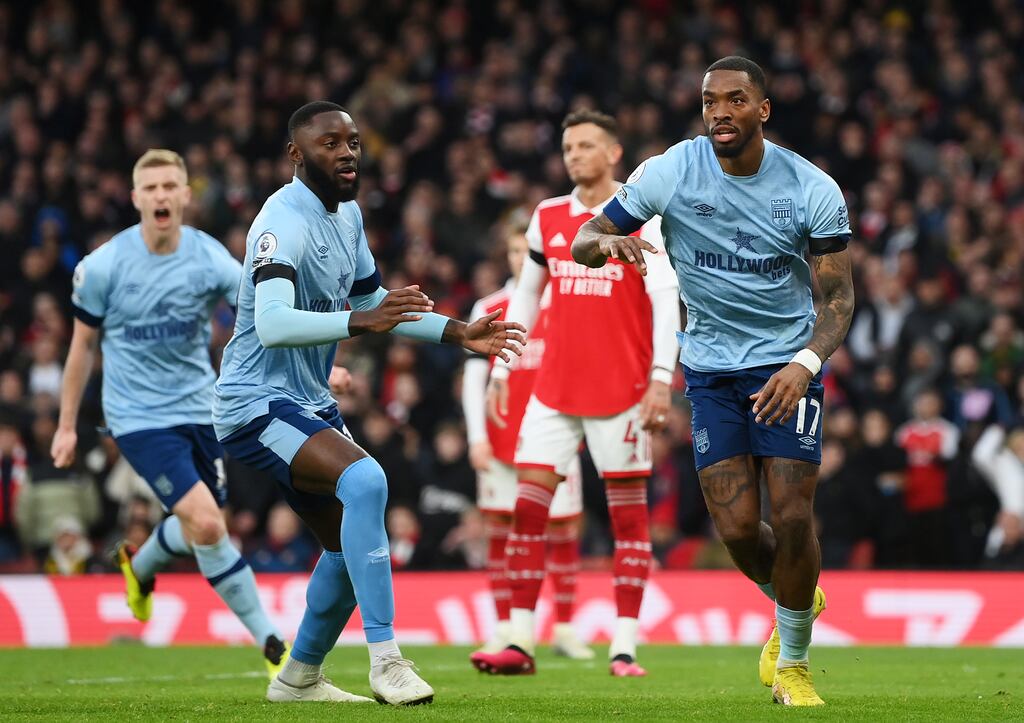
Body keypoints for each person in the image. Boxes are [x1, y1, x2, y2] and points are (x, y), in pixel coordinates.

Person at [212, 101, 525, 705]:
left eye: (352, 141)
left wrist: (459, 332)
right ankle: (386, 660)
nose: (348, 152)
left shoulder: (347, 216)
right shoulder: (282, 221)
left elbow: (375, 299)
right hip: (254, 404)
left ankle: (299, 679)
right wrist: (361, 321)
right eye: (330, 144)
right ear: (297, 155)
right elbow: (273, 324)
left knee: (347, 548)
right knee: (366, 481)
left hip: (306, 401)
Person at [572, 57, 855, 706]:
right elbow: (589, 233)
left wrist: (804, 365)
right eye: (709, 101)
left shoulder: (812, 188)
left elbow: (838, 300)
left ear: (763, 110)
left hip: (787, 368)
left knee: (790, 515)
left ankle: (795, 663)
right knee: (734, 530)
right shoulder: (670, 170)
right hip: (710, 371)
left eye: (735, 100)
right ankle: (798, 596)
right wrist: (604, 245)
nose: (720, 112)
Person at [51, 149, 287, 677]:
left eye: (170, 186)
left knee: (203, 525)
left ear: (185, 195)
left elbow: (262, 314)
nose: (161, 195)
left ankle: (141, 564)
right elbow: (82, 348)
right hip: (137, 417)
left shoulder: (209, 260)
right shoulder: (103, 268)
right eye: (150, 187)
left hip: (200, 408)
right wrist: (67, 425)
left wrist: (313, 368)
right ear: (136, 198)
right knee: (207, 522)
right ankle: (274, 645)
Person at [471, 110, 681, 678]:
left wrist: (662, 377)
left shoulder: (645, 221)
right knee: (528, 512)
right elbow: (525, 297)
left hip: (622, 392)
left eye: (587, 145)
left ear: (614, 153)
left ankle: (624, 647)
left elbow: (666, 301)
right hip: (553, 389)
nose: (574, 155)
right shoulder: (548, 218)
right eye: (568, 146)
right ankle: (517, 640)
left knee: (627, 522)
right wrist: (499, 370)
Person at [461, 216, 593, 660]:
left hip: (556, 435)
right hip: (500, 439)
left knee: (562, 533)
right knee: (500, 531)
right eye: (515, 251)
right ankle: (505, 627)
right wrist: (477, 436)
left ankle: (566, 627)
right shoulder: (490, 307)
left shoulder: (566, 303)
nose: (521, 258)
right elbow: (473, 378)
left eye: (526, 250)